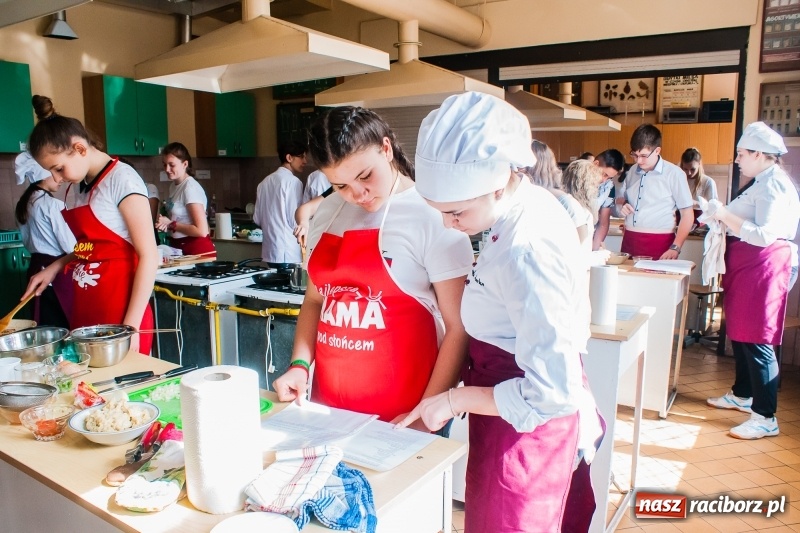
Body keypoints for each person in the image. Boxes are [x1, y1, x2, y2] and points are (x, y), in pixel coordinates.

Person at [398, 92, 601, 532]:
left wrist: (452, 401)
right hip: (504, 415)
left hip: (528, 434)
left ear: (497, 181)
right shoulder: (515, 211)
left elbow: (552, 393)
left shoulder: (526, 247)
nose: (449, 225)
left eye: (455, 212)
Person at [272, 106, 473, 431]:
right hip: (329, 411)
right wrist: (299, 366)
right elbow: (314, 300)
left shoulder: (432, 215)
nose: (357, 195)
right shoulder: (328, 212)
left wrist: (426, 413)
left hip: (404, 416)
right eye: (340, 185)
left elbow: (459, 328)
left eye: (365, 176)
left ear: (386, 148)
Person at [21, 95, 157, 355]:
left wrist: (130, 327)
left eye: (58, 168)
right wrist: (54, 267)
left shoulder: (123, 180)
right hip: (86, 308)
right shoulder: (79, 186)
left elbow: (149, 256)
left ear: (81, 149)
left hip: (122, 312)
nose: (56, 179)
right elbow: (90, 247)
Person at [705, 122, 800, 440]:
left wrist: (723, 215)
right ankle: (743, 394)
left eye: (742, 154)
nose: (737, 159)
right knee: (743, 334)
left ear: (760, 154)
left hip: (764, 265)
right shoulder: (762, 181)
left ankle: (765, 416)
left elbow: (763, 235)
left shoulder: (774, 186)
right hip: (748, 266)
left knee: (758, 339)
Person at [14, 152, 75, 329]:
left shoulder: (24, 203)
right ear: (42, 174)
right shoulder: (53, 205)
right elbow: (71, 246)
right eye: (56, 171)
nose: (61, 177)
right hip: (57, 275)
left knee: (45, 326)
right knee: (64, 326)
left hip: (35, 270)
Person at [615, 124, 694, 259]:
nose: (639, 160)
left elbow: (687, 214)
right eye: (635, 155)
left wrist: (676, 247)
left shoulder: (674, 174)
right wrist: (624, 205)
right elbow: (625, 200)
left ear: (657, 151)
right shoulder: (632, 171)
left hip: (661, 242)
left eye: (644, 155)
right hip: (630, 240)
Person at [154, 142, 215, 255]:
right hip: (180, 247)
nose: (167, 169)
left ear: (185, 164)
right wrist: (164, 222)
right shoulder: (174, 186)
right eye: (164, 164)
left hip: (197, 250)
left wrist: (171, 224)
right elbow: (180, 218)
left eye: (172, 165)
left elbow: (201, 230)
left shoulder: (190, 188)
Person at [254, 140, 305, 265]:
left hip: (269, 252)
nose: (305, 161)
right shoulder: (293, 182)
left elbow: (257, 219)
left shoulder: (264, 182)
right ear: (289, 157)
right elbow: (294, 221)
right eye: (302, 156)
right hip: (288, 252)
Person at [592, 148, 625, 250]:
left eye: (610, 177)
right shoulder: (574, 179)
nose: (604, 180)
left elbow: (603, 224)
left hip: (590, 236)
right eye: (604, 174)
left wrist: (594, 250)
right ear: (596, 164)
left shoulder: (608, 186)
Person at [680, 147, 718, 224]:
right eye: (685, 169)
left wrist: (696, 203)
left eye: (692, 169)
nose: (689, 173)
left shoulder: (708, 182)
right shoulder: (678, 180)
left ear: (699, 164)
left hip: (699, 220)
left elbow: (714, 208)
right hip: (679, 217)